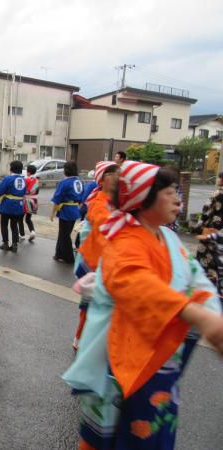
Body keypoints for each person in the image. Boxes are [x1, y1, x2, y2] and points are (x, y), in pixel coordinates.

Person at [63, 161, 223, 450]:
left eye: (178, 190)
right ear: (143, 197)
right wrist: (195, 313)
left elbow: (198, 282)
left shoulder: (171, 239)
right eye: (169, 191)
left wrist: (211, 313)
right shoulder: (123, 241)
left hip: (162, 361)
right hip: (127, 360)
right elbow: (137, 285)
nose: (178, 198)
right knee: (114, 438)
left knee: (151, 430)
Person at [72, 161, 119, 350]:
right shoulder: (98, 201)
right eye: (113, 174)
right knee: (90, 303)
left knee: (105, 304)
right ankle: (80, 337)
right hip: (93, 261)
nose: (118, 178)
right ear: (103, 179)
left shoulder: (117, 202)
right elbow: (104, 225)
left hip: (108, 260)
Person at [194, 172, 223, 296]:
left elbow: (207, 211)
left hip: (211, 233)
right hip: (220, 236)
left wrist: (199, 227)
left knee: (206, 267)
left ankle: (205, 295)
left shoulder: (218, 194)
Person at [50, 161, 83, 263]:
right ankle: (58, 254)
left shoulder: (65, 182)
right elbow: (82, 196)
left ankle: (69, 258)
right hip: (75, 209)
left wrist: (52, 213)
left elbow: (57, 198)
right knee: (64, 233)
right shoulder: (79, 181)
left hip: (66, 210)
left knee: (64, 235)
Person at [0, 160, 26, 252]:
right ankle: (15, 244)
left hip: (7, 205)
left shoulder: (8, 179)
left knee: (4, 224)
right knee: (14, 225)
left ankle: (5, 243)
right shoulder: (23, 180)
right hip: (19, 205)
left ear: (11, 168)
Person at [20, 164, 39, 242]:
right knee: (28, 219)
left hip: (26, 200)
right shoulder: (37, 180)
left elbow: (22, 190)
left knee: (20, 218)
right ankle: (32, 231)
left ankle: (22, 234)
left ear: (28, 172)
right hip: (34, 200)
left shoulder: (26, 179)